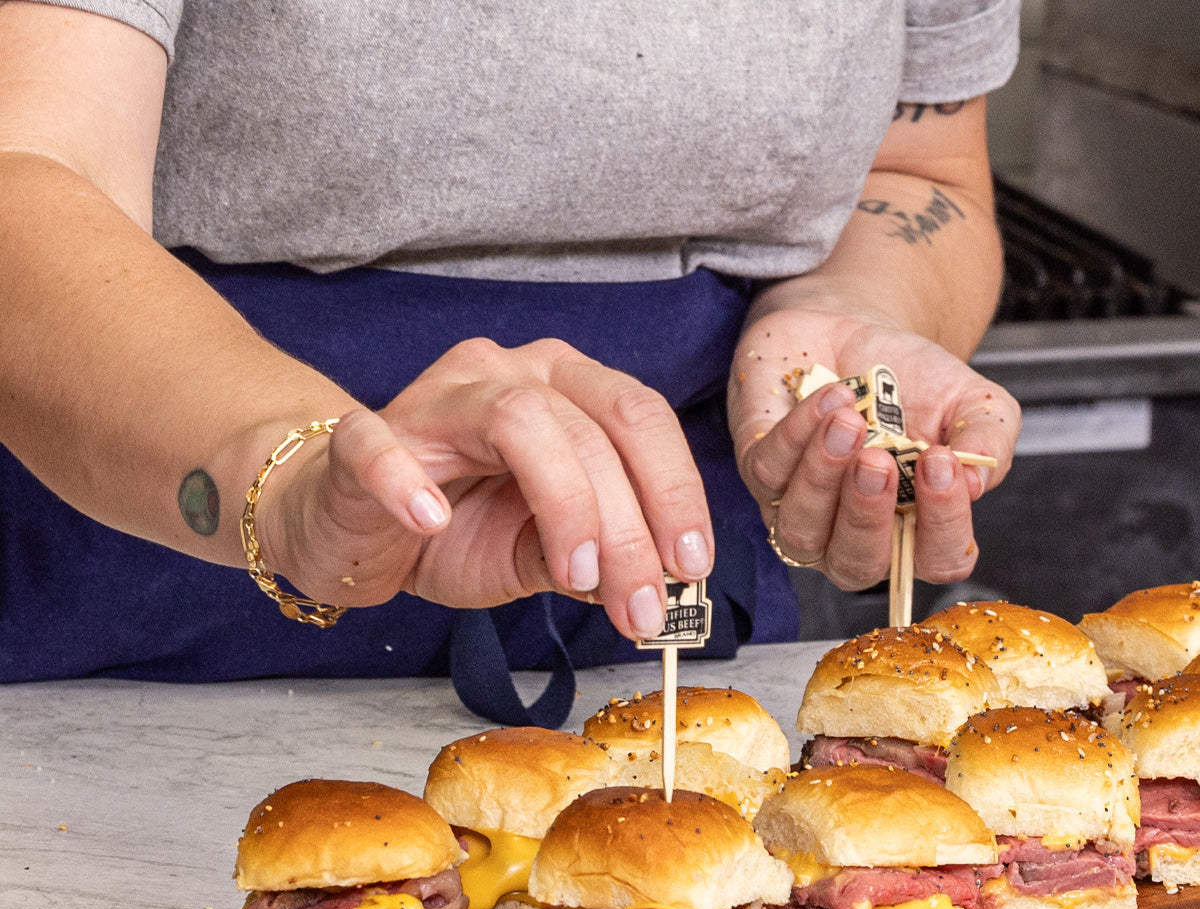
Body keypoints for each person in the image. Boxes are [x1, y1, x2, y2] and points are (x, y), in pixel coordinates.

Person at [0, 1, 1022, 725]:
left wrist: (842, 320)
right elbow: (32, 176)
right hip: (139, 607)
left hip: (663, 656)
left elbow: (921, 172)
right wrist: (304, 474)